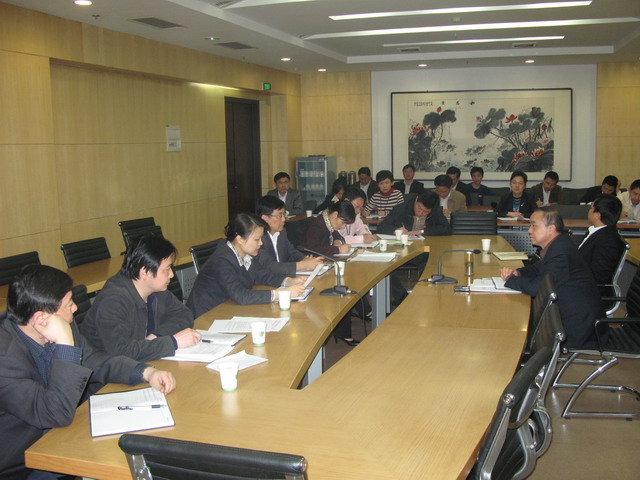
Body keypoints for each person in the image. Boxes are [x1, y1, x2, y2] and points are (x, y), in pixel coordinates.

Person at [0, 265, 176, 479]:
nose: (75, 308)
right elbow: (54, 413)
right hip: (23, 462)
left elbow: (95, 360)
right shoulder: (5, 358)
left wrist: (145, 372)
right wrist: (65, 345)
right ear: (40, 319)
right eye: (69, 304)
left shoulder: (60, 324)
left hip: (64, 435)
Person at [81, 235, 199, 362]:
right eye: (167, 269)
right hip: (108, 370)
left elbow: (184, 314)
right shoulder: (113, 301)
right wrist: (173, 343)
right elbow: (122, 352)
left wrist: (156, 336)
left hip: (140, 362)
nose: (171, 274)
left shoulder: (155, 289)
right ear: (145, 273)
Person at [500, 208, 604, 349]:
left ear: (551, 229)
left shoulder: (560, 253)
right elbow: (537, 268)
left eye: (534, 225)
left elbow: (537, 288)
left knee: (514, 326)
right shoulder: (559, 244)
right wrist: (518, 272)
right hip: (567, 315)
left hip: (575, 327)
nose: (529, 230)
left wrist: (510, 280)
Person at [187, 214, 306, 318]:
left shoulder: (245, 253)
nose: (261, 243)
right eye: (257, 239)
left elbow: (262, 275)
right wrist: (281, 294)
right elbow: (241, 296)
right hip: (206, 316)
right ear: (240, 239)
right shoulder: (222, 260)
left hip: (229, 307)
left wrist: (287, 281)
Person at [298, 201, 360, 345]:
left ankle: (346, 329)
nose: (343, 227)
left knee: (347, 284)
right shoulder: (317, 226)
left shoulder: (327, 221)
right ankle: (344, 331)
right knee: (341, 288)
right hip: (310, 269)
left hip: (324, 267)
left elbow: (338, 236)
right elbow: (314, 250)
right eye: (343, 222)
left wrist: (338, 241)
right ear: (335, 215)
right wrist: (337, 249)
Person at [255, 195, 323, 276]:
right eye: (279, 216)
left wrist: (306, 259)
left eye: (284, 215)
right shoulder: (257, 239)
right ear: (265, 218)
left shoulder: (282, 232)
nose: (284, 219)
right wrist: (302, 265)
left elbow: (291, 252)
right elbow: (270, 266)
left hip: (282, 278)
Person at [578, 194, 624, 291]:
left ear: (597, 215)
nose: (589, 211)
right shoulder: (597, 231)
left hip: (586, 290)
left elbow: (598, 277)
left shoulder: (607, 241)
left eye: (591, 208)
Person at [378, 191, 452, 237]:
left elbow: (447, 229)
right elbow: (381, 227)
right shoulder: (401, 208)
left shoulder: (436, 210)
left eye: (426, 212)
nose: (420, 213)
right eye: (419, 208)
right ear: (416, 199)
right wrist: (396, 230)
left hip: (428, 245)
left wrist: (421, 231)